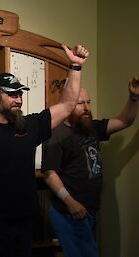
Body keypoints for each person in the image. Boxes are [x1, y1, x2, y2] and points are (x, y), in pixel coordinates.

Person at [0, 44, 89, 257]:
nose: (19, 99)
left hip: (22, 226)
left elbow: (68, 105)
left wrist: (75, 67)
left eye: (20, 94)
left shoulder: (29, 126)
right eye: (12, 94)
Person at [41, 78, 139, 257]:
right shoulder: (56, 134)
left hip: (90, 209)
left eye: (88, 102)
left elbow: (125, 121)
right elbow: (49, 173)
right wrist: (70, 202)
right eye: (80, 103)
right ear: (67, 104)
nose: (86, 107)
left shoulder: (90, 126)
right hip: (69, 212)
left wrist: (133, 97)